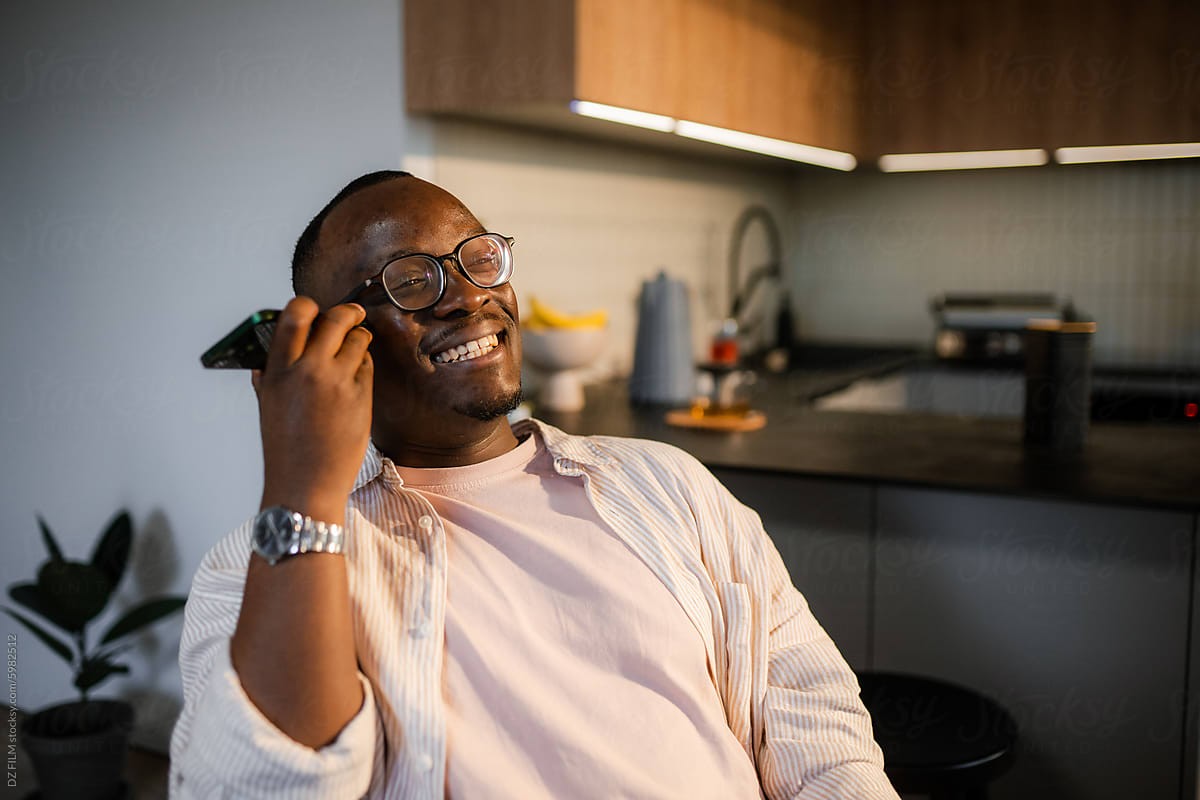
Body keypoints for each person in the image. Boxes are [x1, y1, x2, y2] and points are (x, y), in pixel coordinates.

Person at [169, 170, 900, 799]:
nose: (468, 298)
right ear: (333, 341)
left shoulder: (668, 485)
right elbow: (259, 784)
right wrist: (301, 489)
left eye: (478, 259)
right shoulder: (258, 569)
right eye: (411, 281)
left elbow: (816, 720)